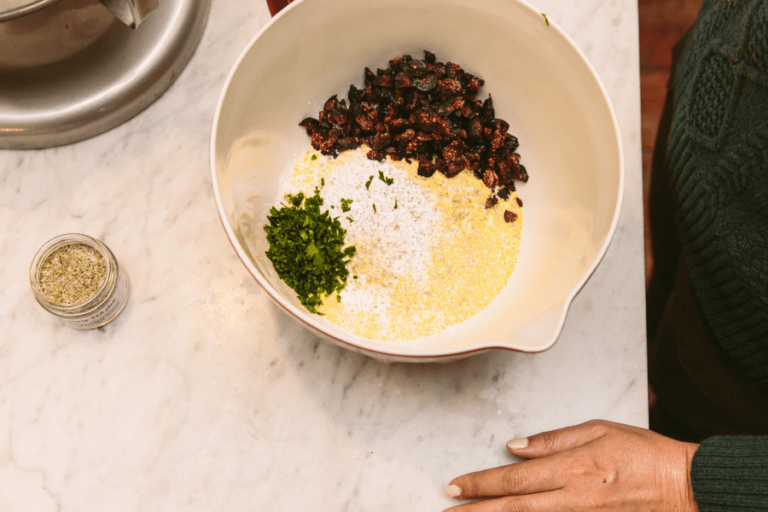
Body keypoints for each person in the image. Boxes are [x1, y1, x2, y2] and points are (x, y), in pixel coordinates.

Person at [445, 0, 768, 509]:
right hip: (719, 103)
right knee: (668, 331)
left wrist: (687, 476)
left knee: (692, 403)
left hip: (750, 376)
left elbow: (693, 466)